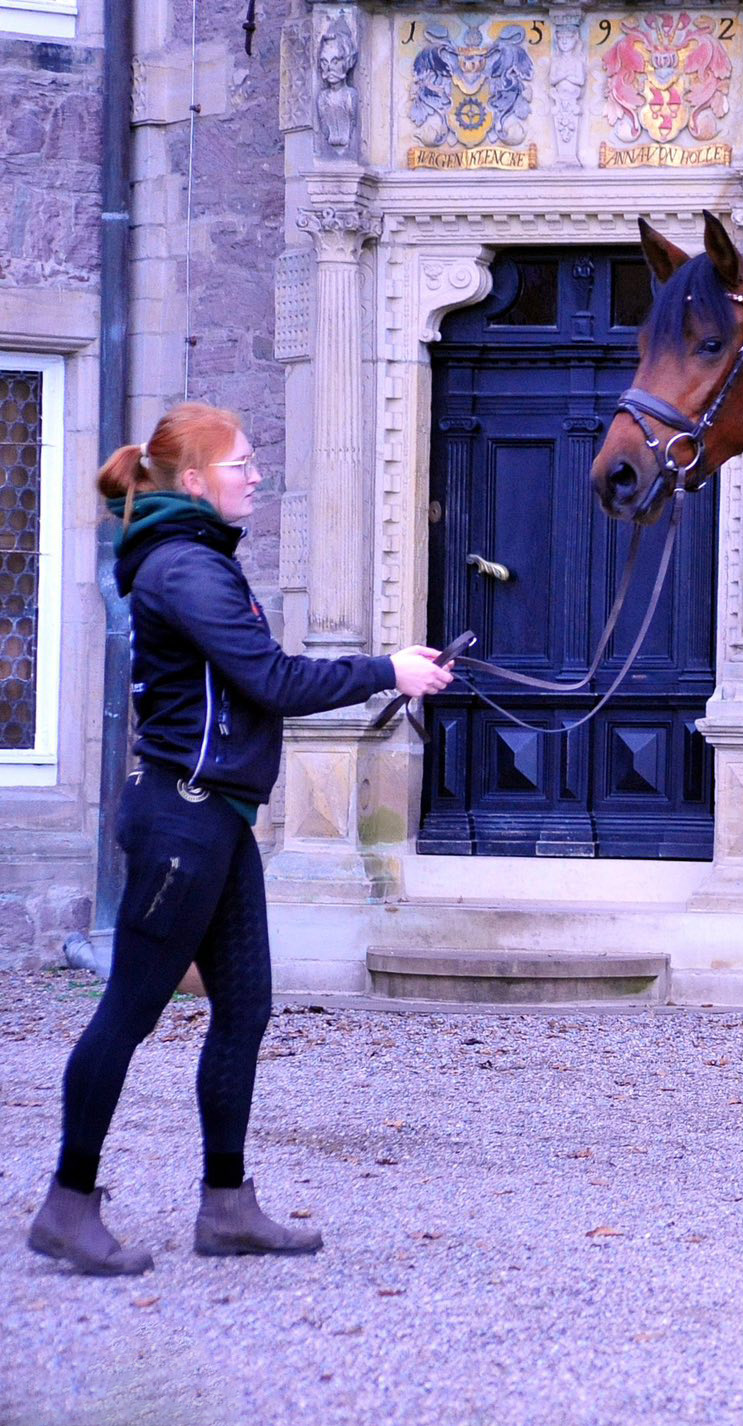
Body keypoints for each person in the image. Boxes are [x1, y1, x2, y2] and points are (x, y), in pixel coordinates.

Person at [27, 402, 453, 1276]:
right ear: (193, 481)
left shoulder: (199, 560)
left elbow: (255, 685)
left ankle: (226, 1206)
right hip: (181, 823)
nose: (257, 476)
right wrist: (388, 669)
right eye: (242, 465)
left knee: (246, 1007)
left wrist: (391, 673)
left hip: (213, 818)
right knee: (129, 1011)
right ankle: (67, 1203)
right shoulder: (184, 568)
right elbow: (272, 679)